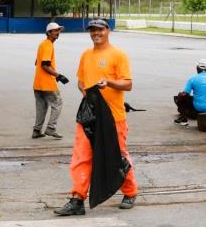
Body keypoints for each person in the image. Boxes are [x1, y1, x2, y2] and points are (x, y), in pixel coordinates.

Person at [55, 18, 138, 215]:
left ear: (108, 30)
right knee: (81, 156)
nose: (96, 33)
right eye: (92, 30)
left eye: (100, 29)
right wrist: (87, 93)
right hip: (90, 116)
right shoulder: (86, 55)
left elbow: (127, 84)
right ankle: (77, 199)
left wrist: (108, 83)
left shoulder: (118, 55)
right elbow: (81, 82)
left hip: (113, 116)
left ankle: (130, 192)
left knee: (118, 156)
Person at [32, 21, 69, 139]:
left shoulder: (42, 44)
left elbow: (37, 62)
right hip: (47, 83)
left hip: (38, 83)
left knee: (41, 107)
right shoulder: (48, 45)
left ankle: (36, 131)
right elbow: (45, 64)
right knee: (58, 103)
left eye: (59, 31)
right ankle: (51, 128)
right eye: (56, 31)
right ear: (49, 32)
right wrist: (58, 75)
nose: (58, 33)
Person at [173, 59, 206, 126]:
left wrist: (180, 95)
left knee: (181, 96)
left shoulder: (193, 78)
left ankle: (183, 119)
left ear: (197, 67)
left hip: (199, 108)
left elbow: (185, 94)